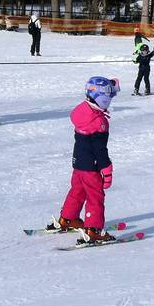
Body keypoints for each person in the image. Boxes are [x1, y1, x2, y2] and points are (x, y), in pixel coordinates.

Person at [52, 77, 120, 243]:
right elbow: (100, 150)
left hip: (78, 163)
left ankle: (67, 219)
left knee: (77, 191)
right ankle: (93, 230)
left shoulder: (82, 111)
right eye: (109, 97)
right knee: (95, 196)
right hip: (91, 167)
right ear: (102, 99)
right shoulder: (99, 121)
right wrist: (107, 169)